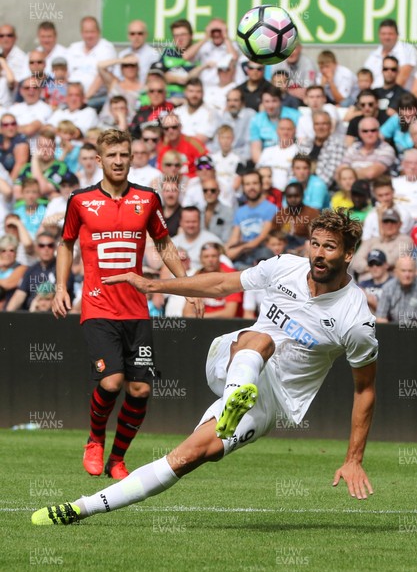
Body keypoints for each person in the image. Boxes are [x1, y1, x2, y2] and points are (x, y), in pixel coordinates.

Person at [31, 209, 379, 526]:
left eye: (329, 247)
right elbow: (220, 284)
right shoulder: (284, 266)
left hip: (272, 401)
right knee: (262, 340)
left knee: (188, 456)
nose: (318, 253)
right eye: (314, 244)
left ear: (348, 254)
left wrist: (353, 458)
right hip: (233, 358)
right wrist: (154, 285)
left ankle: (80, 508)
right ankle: (235, 397)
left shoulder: (355, 319)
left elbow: (365, 389)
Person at [48, 129, 202, 480]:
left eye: (124, 155)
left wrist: (187, 286)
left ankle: (117, 459)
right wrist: (60, 287)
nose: (118, 161)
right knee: (112, 382)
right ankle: (94, 440)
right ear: (99, 160)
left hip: (136, 309)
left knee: (141, 389)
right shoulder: (80, 201)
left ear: (132, 158)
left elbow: (163, 244)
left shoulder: (147, 199)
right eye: (112, 155)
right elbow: (65, 244)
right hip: (98, 307)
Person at [6, 230, 73, 310]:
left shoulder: (62, 268)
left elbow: (62, 288)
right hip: (32, 314)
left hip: (55, 314)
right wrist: (6, 317)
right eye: (42, 245)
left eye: (50, 245)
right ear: (36, 248)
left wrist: (38, 299)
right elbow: (19, 295)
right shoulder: (31, 270)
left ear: (55, 248)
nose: (46, 249)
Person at [225, 170, 276, 269]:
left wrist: (241, 248)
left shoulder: (271, 208)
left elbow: (261, 238)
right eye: (247, 184)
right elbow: (234, 238)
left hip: (263, 254)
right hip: (244, 256)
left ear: (261, 185)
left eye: (255, 183)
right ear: (243, 188)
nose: (251, 187)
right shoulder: (240, 211)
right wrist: (225, 250)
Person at [350, 208, 414, 280]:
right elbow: (356, 261)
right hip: (365, 284)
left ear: (400, 224)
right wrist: (373, 267)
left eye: (393, 221)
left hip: (389, 284)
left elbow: (392, 261)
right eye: (386, 221)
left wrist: (370, 265)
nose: (389, 224)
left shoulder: (406, 240)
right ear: (381, 224)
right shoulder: (372, 240)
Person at [183, 242, 242, 318]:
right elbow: (186, 312)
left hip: (227, 324)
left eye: (213, 256)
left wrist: (200, 317)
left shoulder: (230, 276)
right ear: (200, 259)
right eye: (206, 257)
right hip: (204, 324)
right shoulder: (197, 276)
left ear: (219, 257)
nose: (210, 260)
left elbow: (229, 313)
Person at [364, 18, 416, 90]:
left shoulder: (407, 50)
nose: (386, 37)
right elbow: (364, 78)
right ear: (379, 35)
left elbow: (402, 78)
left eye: (390, 34)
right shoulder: (374, 55)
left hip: (398, 97)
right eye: (383, 34)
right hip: (373, 97)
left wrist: (387, 95)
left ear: (397, 35)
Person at [362, 174, 413, 240]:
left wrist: (380, 217)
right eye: (380, 195)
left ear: (393, 192)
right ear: (375, 196)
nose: (385, 199)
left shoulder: (404, 214)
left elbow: (393, 241)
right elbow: (365, 240)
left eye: (387, 194)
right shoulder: (371, 215)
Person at [274, 182, 319, 253]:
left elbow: (316, 239)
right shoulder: (280, 214)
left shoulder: (312, 213)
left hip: (305, 249)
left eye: (296, 196)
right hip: (284, 249)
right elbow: (273, 235)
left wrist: (298, 250)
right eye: (289, 196)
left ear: (302, 196)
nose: (293, 199)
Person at [256, 117, 299, 191]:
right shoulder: (267, 151)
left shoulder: (299, 152)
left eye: (289, 129)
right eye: (282, 129)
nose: (285, 132)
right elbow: (257, 173)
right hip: (267, 193)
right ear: (277, 131)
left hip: (288, 195)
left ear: (295, 131)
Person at [376, 256, 417, 323]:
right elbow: (380, 318)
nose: (407, 274)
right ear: (396, 272)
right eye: (403, 271)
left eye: (410, 271)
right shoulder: (388, 288)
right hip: (393, 330)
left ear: (415, 272)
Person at [0, 233, 27, 310]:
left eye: (11, 250)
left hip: (9, 309)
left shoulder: (21, 268)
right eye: (4, 250)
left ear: (16, 253)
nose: (8, 254)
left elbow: (7, 284)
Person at [0, 113, 29, 180]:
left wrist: (6, 187)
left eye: (13, 124)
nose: (10, 128)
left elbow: (20, 165)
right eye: (6, 125)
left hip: (16, 181)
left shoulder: (21, 141)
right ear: (1, 128)